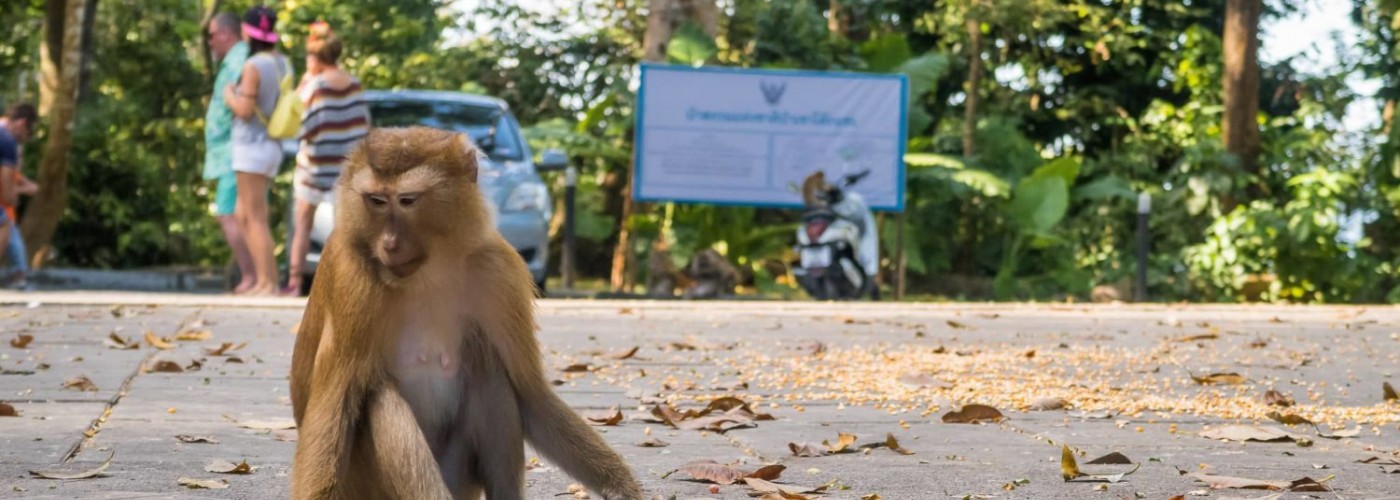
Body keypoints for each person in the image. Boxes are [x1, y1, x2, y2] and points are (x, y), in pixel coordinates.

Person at [283, 21, 369, 296]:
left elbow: (297, 121)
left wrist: (303, 83)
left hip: (314, 167)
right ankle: (347, 284)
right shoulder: (353, 84)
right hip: (346, 167)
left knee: (302, 225)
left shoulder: (315, 85)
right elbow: (363, 125)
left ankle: (295, 282)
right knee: (345, 228)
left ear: (317, 58)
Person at [223, 5, 290, 296]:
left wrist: (229, 95)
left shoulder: (253, 66)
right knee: (243, 214)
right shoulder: (283, 62)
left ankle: (268, 283)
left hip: (251, 146)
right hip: (271, 145)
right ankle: (264, 280)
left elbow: (245, 109)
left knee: (255, 216)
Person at [204, 12, 257, 294]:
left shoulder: (240, 58)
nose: (209, 42)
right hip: (228, 150)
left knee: (232, 214)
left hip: (235, 150)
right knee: (236, 213)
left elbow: (243, 103)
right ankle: (252, 276)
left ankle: (254, 276)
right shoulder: (235, 58)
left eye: (211, 35)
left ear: (226, 34)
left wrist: (228, 99)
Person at [0, 103, 37, 290]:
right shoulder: (7, 140)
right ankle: (19, 272)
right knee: (4, 223)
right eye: (27, 133)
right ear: (22, 123)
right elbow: (6, 180)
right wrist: (11, 199)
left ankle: (19, 272)